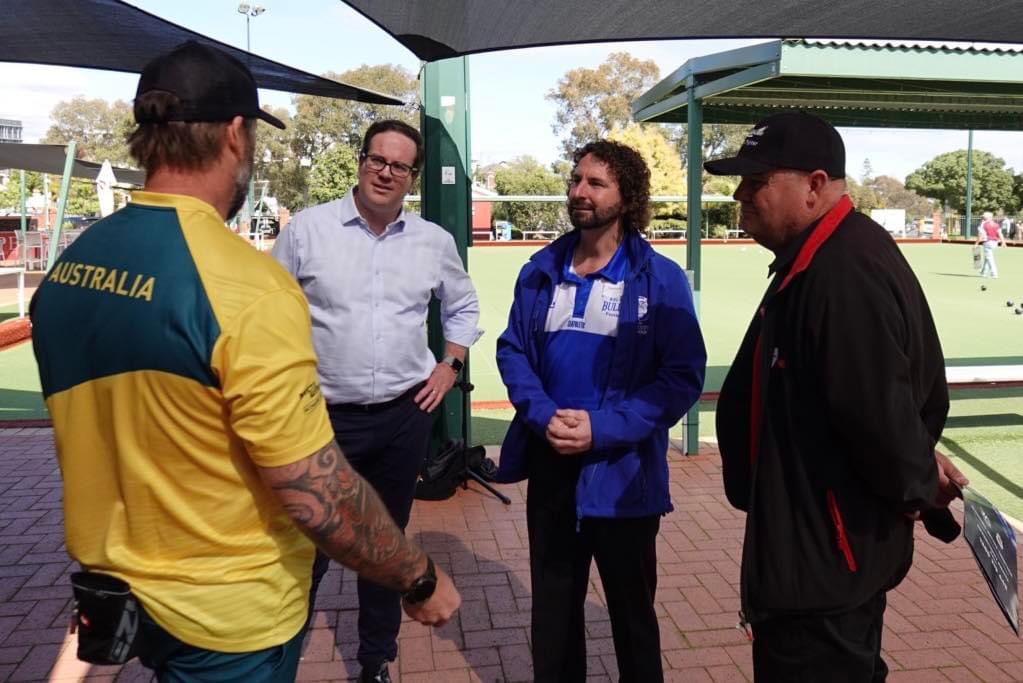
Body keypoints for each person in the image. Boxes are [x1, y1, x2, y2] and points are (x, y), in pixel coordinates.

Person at [29, 41, 459, 683]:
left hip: (120, 589)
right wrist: (417, 576)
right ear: (235, 134)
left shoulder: (72, 269)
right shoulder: (248, 287)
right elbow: (315, 491)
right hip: (230, 613)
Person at [705, 111, 969, 681]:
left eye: (757, 181)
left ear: (815, 185)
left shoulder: (841, 270)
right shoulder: (823, 256)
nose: (740, 195)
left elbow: (879, 417)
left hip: (825, 564)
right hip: (819, 552)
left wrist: (919, 481)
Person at [272, 119, 481, 683]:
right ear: (361, 161)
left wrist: (449, 366)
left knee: (386, 543)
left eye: (399, 166)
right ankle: (278, 661)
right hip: (320, 420)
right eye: (377, 160)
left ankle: (375, 662)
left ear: (412, 177)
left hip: (401, 418)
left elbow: (463, 309)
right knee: (306, 548)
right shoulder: (307, 231)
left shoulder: (433, 241)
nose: (386, 172)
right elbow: (268, 313)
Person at [496, 140, 706, 682]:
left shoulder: (660, 279)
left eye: (596, 183)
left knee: (633, 616)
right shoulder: (541, 269)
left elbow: (681, 375)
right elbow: (513, 349)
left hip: (624, 479)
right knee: (554, 613)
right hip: (552, 466)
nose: (579, 191)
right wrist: (542, 416)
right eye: (575, 179)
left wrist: (602, 429)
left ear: (627, 196)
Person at [976, 211, 1006, 278]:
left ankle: (994, 273)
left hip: (987, 243)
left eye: (983, 217)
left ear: (987, 218)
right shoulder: (996, 224)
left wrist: (976, 243)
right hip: (995, 243)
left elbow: (980, 235)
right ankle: (983, 272)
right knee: (987, 258)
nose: (982, 218)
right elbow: (1000, 234)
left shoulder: (983, 224)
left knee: (990, 259)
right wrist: (1003, 242)